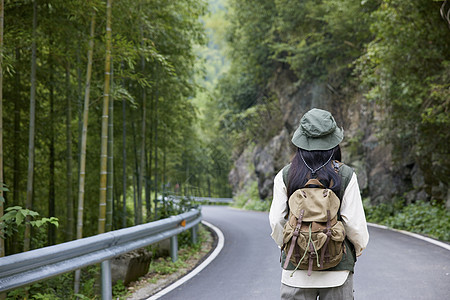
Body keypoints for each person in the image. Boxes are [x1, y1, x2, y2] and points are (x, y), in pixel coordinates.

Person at [269, 108, 369, 300]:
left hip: (295, 272)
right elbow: (354, 224)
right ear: (333, 142)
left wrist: (293, 243)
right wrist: (356, 249)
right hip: (337, 271)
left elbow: (276, 221)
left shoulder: (286, 174)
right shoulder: (345, 174)